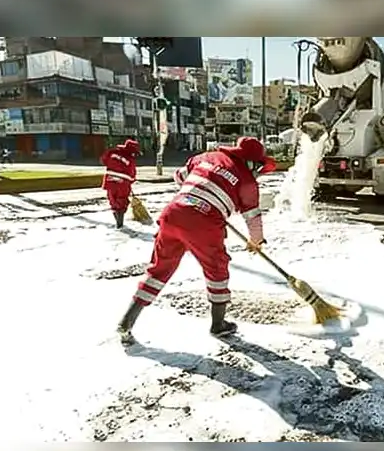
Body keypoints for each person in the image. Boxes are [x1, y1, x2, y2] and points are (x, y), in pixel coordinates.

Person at [116, 136, 277, 345]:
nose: (258, 172)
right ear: (251, 162)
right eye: (259, 167)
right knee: (217, 270)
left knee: (159, 269)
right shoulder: (247, 181)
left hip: (173, 214)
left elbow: (179, 176)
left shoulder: (206, 157)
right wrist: (256, 241)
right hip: (205, 223)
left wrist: (199, 196)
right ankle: (218, 325)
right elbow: (253, 216)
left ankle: (126, 321)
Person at [100, 138, 141, 229]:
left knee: (113, 201)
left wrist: (113, 166)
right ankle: (120, 224)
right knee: (122, 202)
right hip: (122, 185)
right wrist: (131, 180)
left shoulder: (112, 152)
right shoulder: (130, 160)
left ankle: (118, 222)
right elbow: (132, 174)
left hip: (109, 182)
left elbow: (103, 160)